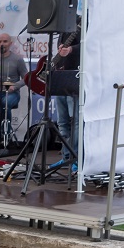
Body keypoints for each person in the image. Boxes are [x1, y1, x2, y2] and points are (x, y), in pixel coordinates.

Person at [52, 28, 81, 165]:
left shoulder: (82, 21)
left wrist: (71, 50)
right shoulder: (62, 26)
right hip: (61, 76)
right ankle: (66, 156)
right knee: (62, 122)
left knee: (75, 121)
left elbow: (90, 45)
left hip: (74, 77)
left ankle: (75, 158)